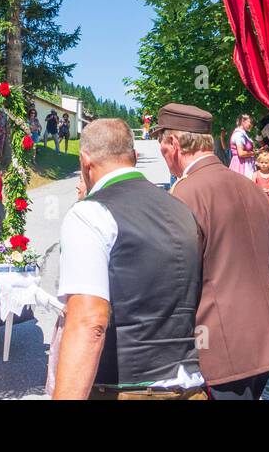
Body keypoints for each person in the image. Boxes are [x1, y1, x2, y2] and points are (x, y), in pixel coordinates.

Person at [158, 103, 269, 400]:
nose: (162, 155)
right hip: (265, 343)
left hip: (217, 353)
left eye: (162, 145)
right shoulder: (252, 189)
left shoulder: (183, 194)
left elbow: (174, 282)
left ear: (174, 143)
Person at [53, 118, 205, 400]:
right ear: (134, 157)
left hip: (126, 388)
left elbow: (89, 322)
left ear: (85, 161)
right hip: (189, 385)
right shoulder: (180, 209)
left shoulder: (90, 213)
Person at [227, 113, 256, 178]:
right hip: (241, 165)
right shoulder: (239, 135)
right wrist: (255, 153)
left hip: (245, 164)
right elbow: (241, 153)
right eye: (250, 122)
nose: (252, 125)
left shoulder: (242, 134)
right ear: (243, 121)